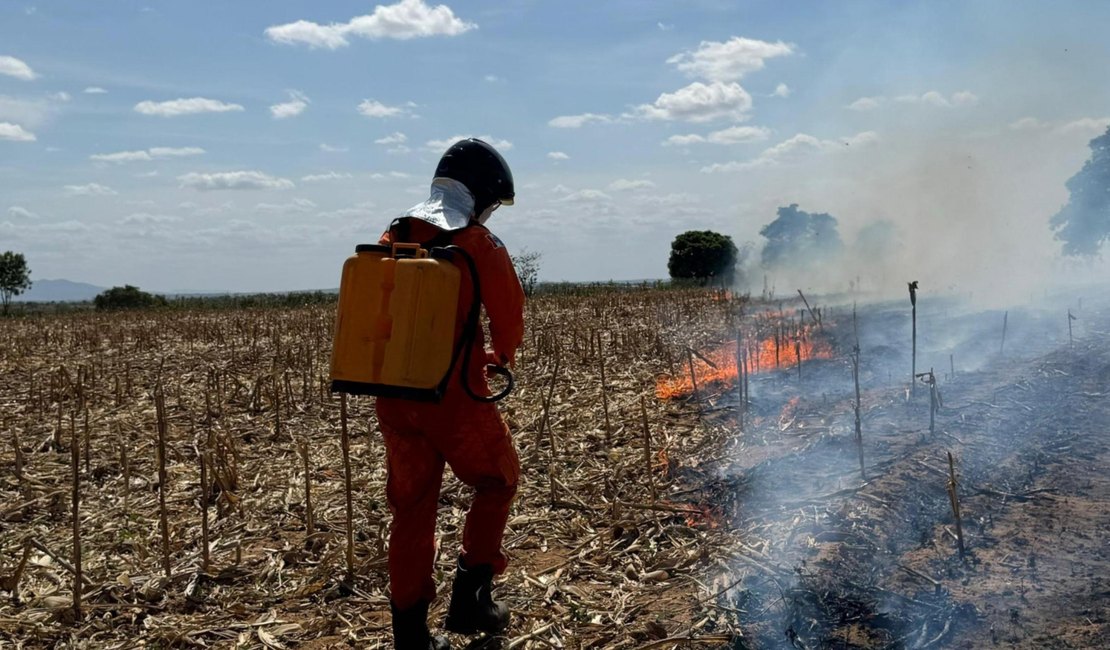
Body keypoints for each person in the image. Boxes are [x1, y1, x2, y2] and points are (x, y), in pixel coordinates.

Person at [377, 139, 525, 649]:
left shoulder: (394, 231)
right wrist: (500, 355)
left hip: (393, 395)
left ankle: (410, 635)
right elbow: (508, 317)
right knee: (498, 480)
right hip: (454, 399)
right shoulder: (478, 242)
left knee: (412, 509)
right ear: (479, 194)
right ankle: (471, 600)